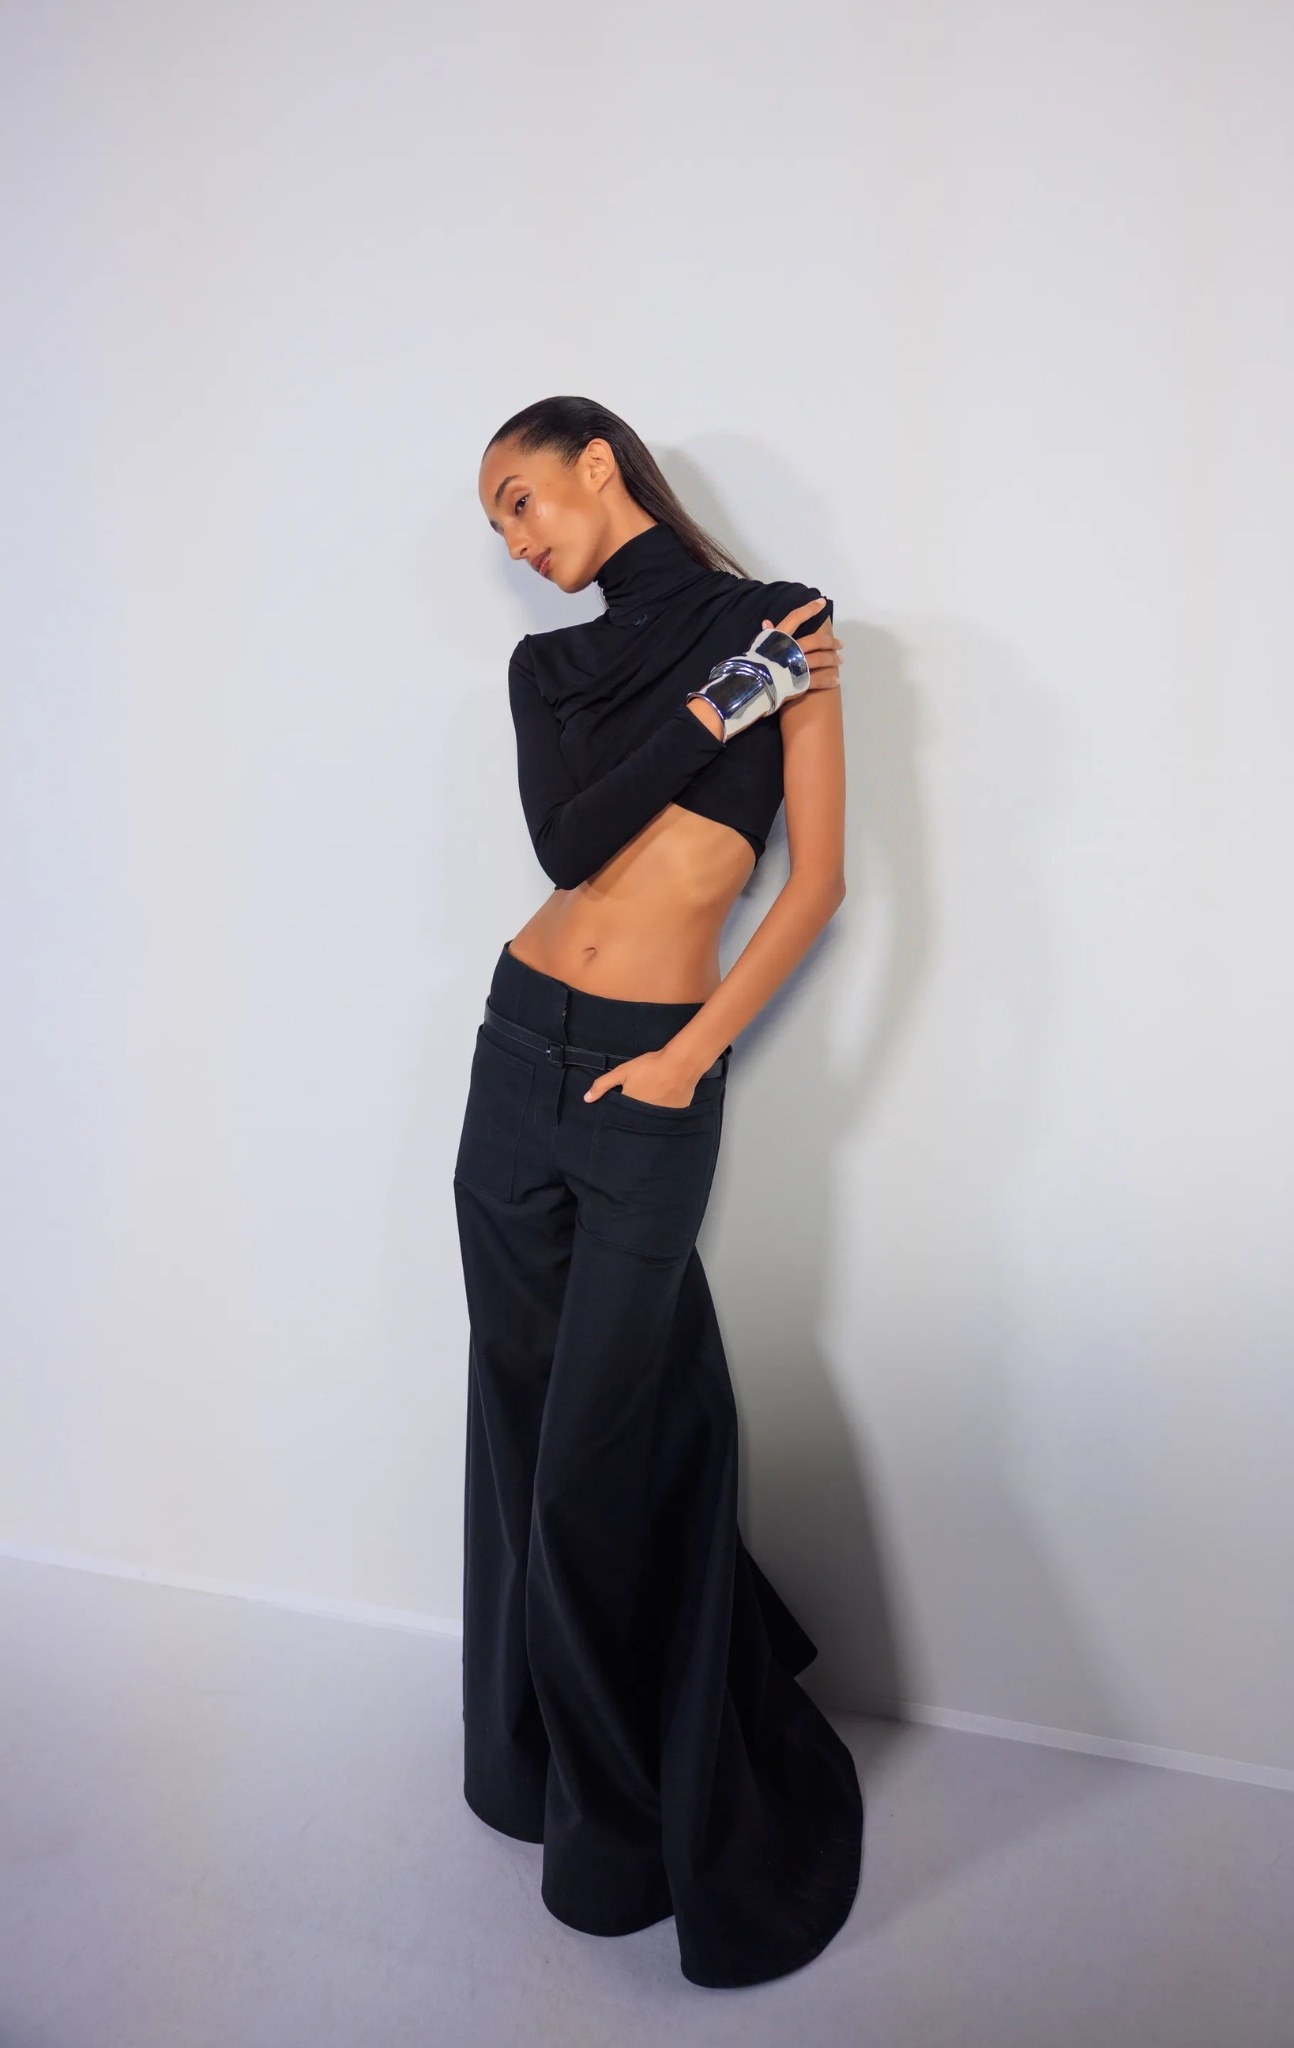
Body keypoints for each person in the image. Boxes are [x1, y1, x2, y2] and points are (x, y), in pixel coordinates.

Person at [454, 395, 862, 1989]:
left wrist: (693, 1057)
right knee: (519, 1428)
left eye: (519, 497)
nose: (514, 540)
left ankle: (627, 1831)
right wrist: (715, 709)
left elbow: (817, 883)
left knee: (596, 1466)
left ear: (597, 463)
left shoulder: (788, 623)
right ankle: (535, 1771)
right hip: (517, 1053)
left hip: (649, 1079)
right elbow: (570, 842)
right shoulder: (547, 669)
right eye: (493, 524)